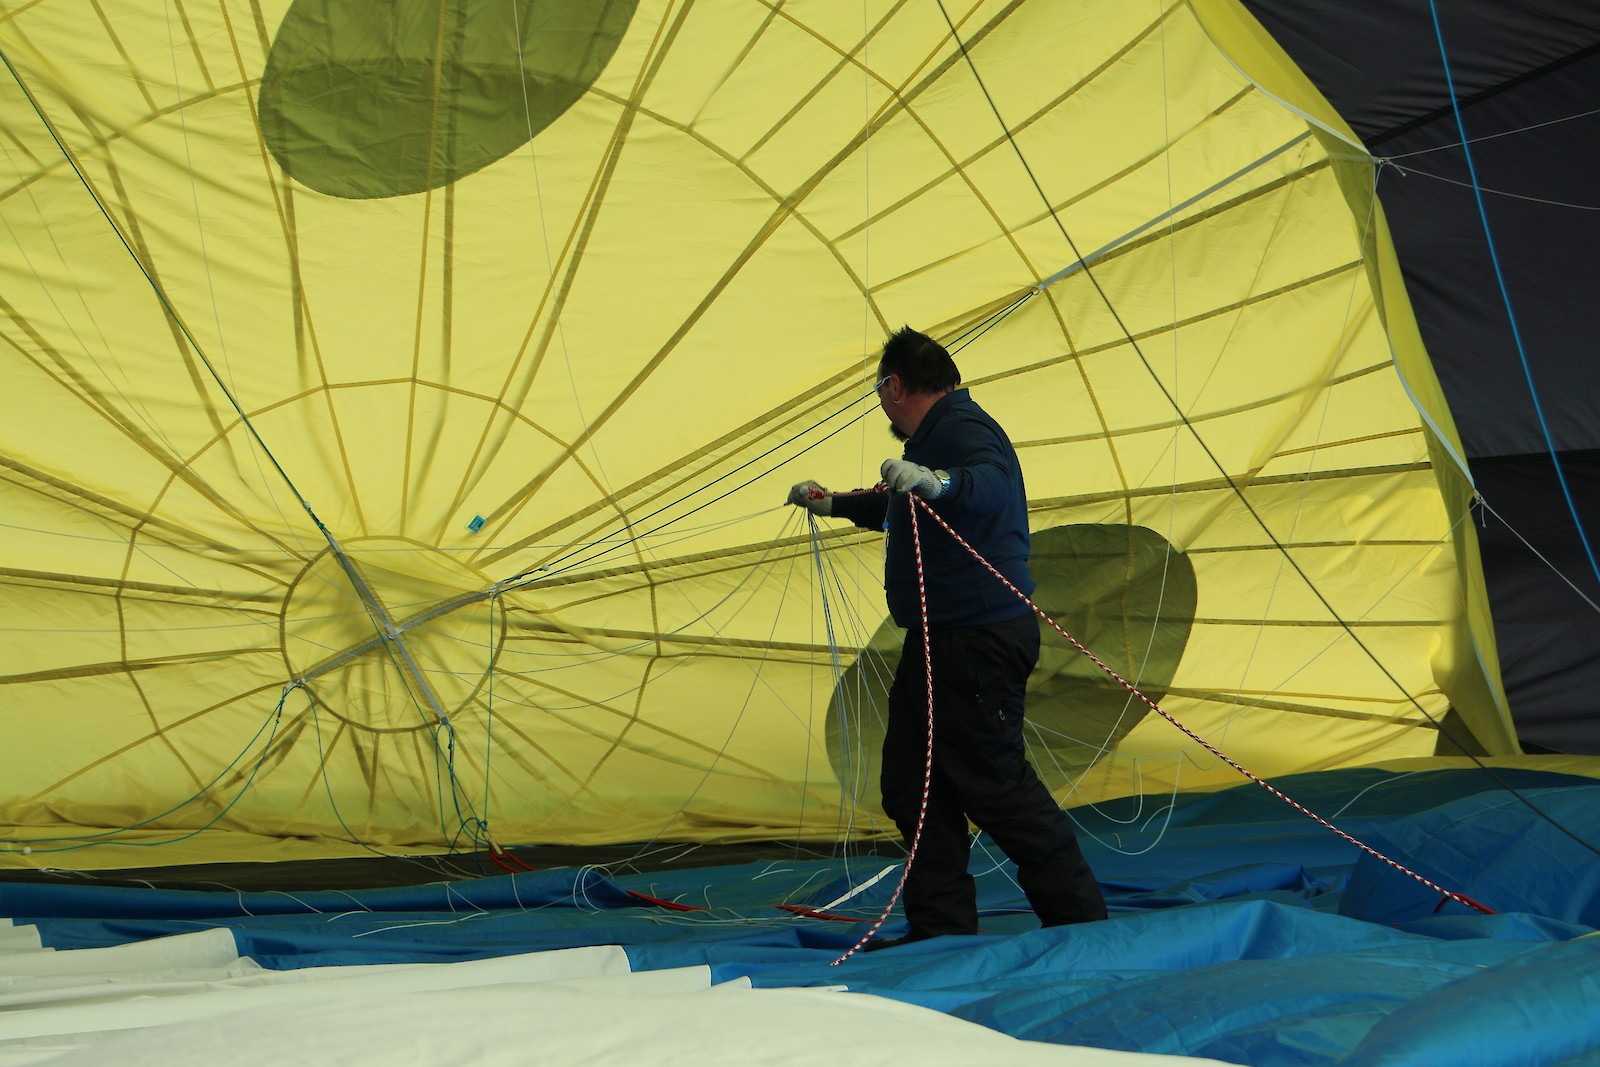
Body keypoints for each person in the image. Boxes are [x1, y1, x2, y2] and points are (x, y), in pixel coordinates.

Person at [787, 326, 1107, 948]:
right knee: (912, 783)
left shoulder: (963, 429)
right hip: (935, 644)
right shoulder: (932, 442)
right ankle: (941, 928)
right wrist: (835, 505)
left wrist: (941, 483)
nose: (882, 405)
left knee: (996, 785)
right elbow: (900, 504)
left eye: (881, 391)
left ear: (896, 385)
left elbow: (983, 483)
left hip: (976, 643)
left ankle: (1080, 924)